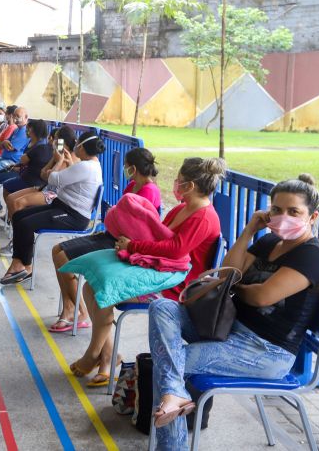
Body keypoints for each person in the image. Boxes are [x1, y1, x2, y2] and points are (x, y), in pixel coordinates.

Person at [149, 174, 319, 449]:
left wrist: (234, 285)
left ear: (312, 216)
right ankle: (174, 397)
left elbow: (261, 297)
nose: (284, 216)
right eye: (277, 210)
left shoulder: (312, 255)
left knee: (171, 364)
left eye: (294, 211)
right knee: (162, 307)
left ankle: (170, 441)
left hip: (267, 351)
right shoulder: (269, 242)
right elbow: (228, 270)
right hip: (229, 328)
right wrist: (249, 230)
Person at [68, 157, 223, 389]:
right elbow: (159, 235)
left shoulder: (204, 217)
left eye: (179, 181)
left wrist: (133, 246)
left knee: (104, 290)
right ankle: (106, 353)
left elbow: (175, 249)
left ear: (190, 186)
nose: (175, 184)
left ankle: (96, 354)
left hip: (178, 286)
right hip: (160, 272)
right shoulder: (182, 208)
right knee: (93, 285)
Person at [49, 147, 161, 337]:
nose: (124, 169)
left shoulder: (149, 191)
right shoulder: (133, 186)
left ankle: (78, 311)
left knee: (62, 259)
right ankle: (70, 306)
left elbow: (134, 227)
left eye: (126, 166)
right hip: (111, 235)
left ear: (133, 168)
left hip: (121, 243)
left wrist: (114, 217)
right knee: (56, 250)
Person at [0, 130, 105, 286]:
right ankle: (19, 263)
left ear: (82, 148)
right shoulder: (89, 165)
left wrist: (58, 161)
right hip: (61, 206)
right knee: (19, 216)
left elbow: (53, 179)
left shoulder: (86, 167)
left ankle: (24, 266)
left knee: (26, 224)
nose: (75, 147)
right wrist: (65, 163)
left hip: (73, 216)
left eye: (77, 144)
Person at [0, 118, 51, 220]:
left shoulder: (40, 146)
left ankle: (10, 213)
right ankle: (0, 209)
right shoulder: (31, 141)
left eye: (29, 129)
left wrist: (18, 165)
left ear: (34, 131)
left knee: (0, 183)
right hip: (21, 170)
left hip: (29, 178)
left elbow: (24, 159)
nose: (27, 131)